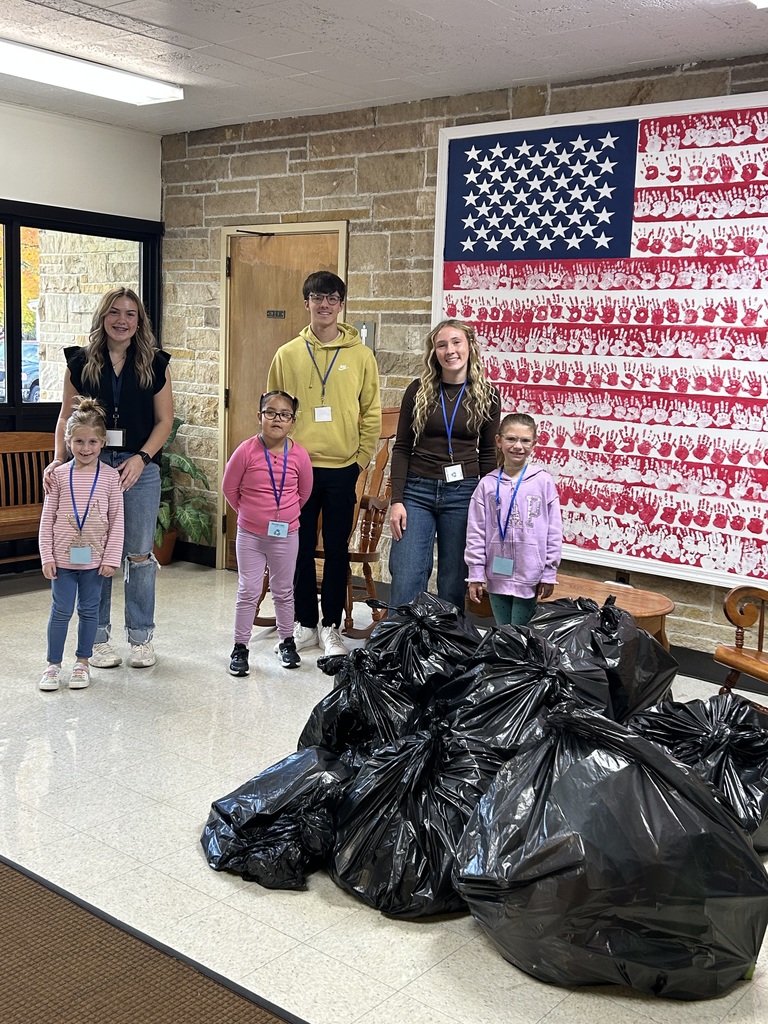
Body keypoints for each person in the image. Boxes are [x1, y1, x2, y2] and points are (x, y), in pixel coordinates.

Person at [44, 287, 174, 669]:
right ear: (103, 317)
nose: (122, 320)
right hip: (89, 466)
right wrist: (58, 461)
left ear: (140, 321)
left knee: (138, 554)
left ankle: (141, 638)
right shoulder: (80, 362)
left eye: (131, 314)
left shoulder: (155, 362)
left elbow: (164, 421)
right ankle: (97, 639)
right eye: (115, 312)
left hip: (139, 468)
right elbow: (66, 419)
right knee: (94, 552)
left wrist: (142, 458)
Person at [267, 271, 381, 658]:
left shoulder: (361, 356)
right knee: (296, 549)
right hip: (297, 467)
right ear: (306, 304)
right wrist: (279, 458)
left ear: (341, 304)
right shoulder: (287, 354)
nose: (325, 305)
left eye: (332, 298)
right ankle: (304, 623)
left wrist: (360, 460)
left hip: (342, 468)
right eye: (317, 298)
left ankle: (331, 625)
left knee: (336, 549)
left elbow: (372, 413)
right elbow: (275, 410)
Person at [388, 319, 500, 610]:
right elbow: (401, 448)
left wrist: (488, 505)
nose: (450, 350)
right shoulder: (418, 391)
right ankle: (402, 646)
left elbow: (488, 454)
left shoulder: (488, 395)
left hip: (464, 494)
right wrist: (396, 500)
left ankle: (445, 649)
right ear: (434, 352)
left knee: (453, 579)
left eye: (456, 342)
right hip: (417, 491)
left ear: (470, 346)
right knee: (407, 573)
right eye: (441, 344)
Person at [222, 390, 313, 676]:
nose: (277, 419)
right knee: (248, 589)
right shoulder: (246, 451)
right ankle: (240, 647)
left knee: (284, 589)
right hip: (250, 535)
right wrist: (250, 514)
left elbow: (304, 493)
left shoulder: (299, 455)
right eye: (270, 413)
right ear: (259, 416)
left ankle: (287, 642)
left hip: (286, 535)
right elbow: (229, 489)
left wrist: (285, 515)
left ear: (292, 421)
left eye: (284, 415)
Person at [38, 398, 125, 691]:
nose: (85, 448)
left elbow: (117, 521)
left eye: (92, 442)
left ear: (102, 442)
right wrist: (46, 555)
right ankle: (53, 665)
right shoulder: (58, 476)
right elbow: (47, 518)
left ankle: (82, 662)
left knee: (89, 611)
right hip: (62, 560)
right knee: (61, 610)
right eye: (78, 441)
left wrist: (111, 558)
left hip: (95, 561)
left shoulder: (111, 478)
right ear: (68, 441)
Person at [465, 413, 562, 626]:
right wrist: (476, 573)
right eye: (511, 439)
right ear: (499, 441)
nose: (518, 446)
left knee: (519, 634)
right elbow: (476, 532)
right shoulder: (487, 485)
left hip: (530, 575)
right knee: (503, 630)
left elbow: (554, 531)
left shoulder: (543, 482)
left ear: (534, 444)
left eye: (525, 440)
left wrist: (549, 572)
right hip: (497, 574)